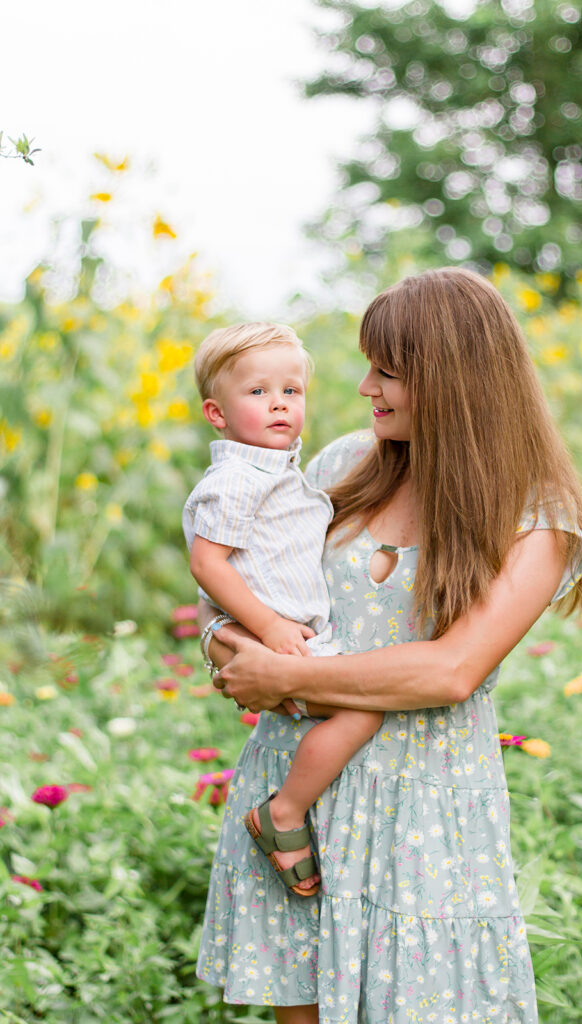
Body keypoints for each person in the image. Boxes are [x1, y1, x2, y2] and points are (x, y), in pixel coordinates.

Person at [196, 268, 582, 1024]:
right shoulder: (338, 465)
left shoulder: (536, 516)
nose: (363, 387)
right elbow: (227, 592)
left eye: (386, 371)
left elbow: (451, 670)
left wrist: (282, 674)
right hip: (297, 800)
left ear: (450, 378)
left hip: (427, 815)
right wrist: (227, 648)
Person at [183, 322, 384, 896]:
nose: (279, 404)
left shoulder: (276, 472)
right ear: (217, 414)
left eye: (291, 391)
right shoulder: (237, 480)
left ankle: (295, 806)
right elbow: (208, 565)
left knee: (356, 708)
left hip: (286, 631)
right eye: (257, 393)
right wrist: (268, 627)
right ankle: (285, 812)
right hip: (273, 631)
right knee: (362, 710)